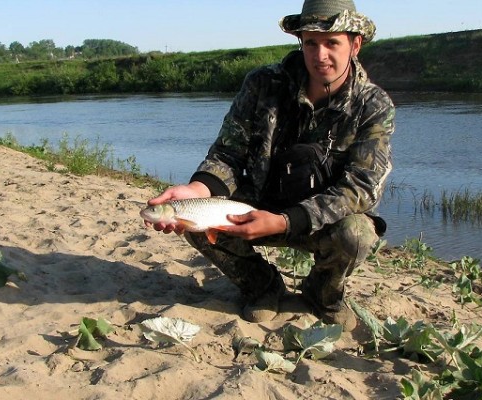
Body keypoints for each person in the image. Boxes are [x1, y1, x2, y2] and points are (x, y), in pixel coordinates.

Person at [144, 0, 395, 331]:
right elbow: (227, 154)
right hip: (260, 201)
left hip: (320, 219)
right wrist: (196, 189)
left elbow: (359, 188)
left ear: (355, 44)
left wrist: (283, 222)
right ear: (300, 42)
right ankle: (263, 286)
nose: (321, 55)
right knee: (199, 220)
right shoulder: (263, 84)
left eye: (332, 42)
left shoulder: (373, 106)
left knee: (359, 235)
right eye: (311, 43)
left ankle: (323, 293)